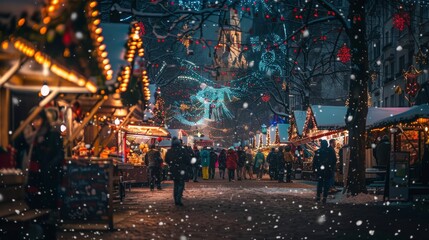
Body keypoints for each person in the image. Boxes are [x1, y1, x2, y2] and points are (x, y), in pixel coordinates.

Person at [15, 108, 64, 239]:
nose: (35, 123)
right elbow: (18, 146)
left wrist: (48, 170)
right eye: (32, 120)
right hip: (33, 182)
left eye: (37, 119)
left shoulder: (52, 135)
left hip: (48, 182)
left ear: (43, 119)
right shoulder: (31, 137)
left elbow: (58, 156)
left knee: (48, 218)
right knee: (38, 217)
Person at [165, 137, 191, 206]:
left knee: (175, 184)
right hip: (181, 170)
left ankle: (176, 199)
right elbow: (188, 160)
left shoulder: (169, 151)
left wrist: (171, 164)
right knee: (181, 184)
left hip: (173, 170)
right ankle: (178, 199)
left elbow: (166, 160)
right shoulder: (182, 151)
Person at [375, 135, 391, 200]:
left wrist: (378, 159)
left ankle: (380, 189)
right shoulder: (390, 145)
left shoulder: (379, 146)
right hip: (388, 163)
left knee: (381, 175)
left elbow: (375, 153)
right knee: (388, 176)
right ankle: (386, 190)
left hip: (380, 163)